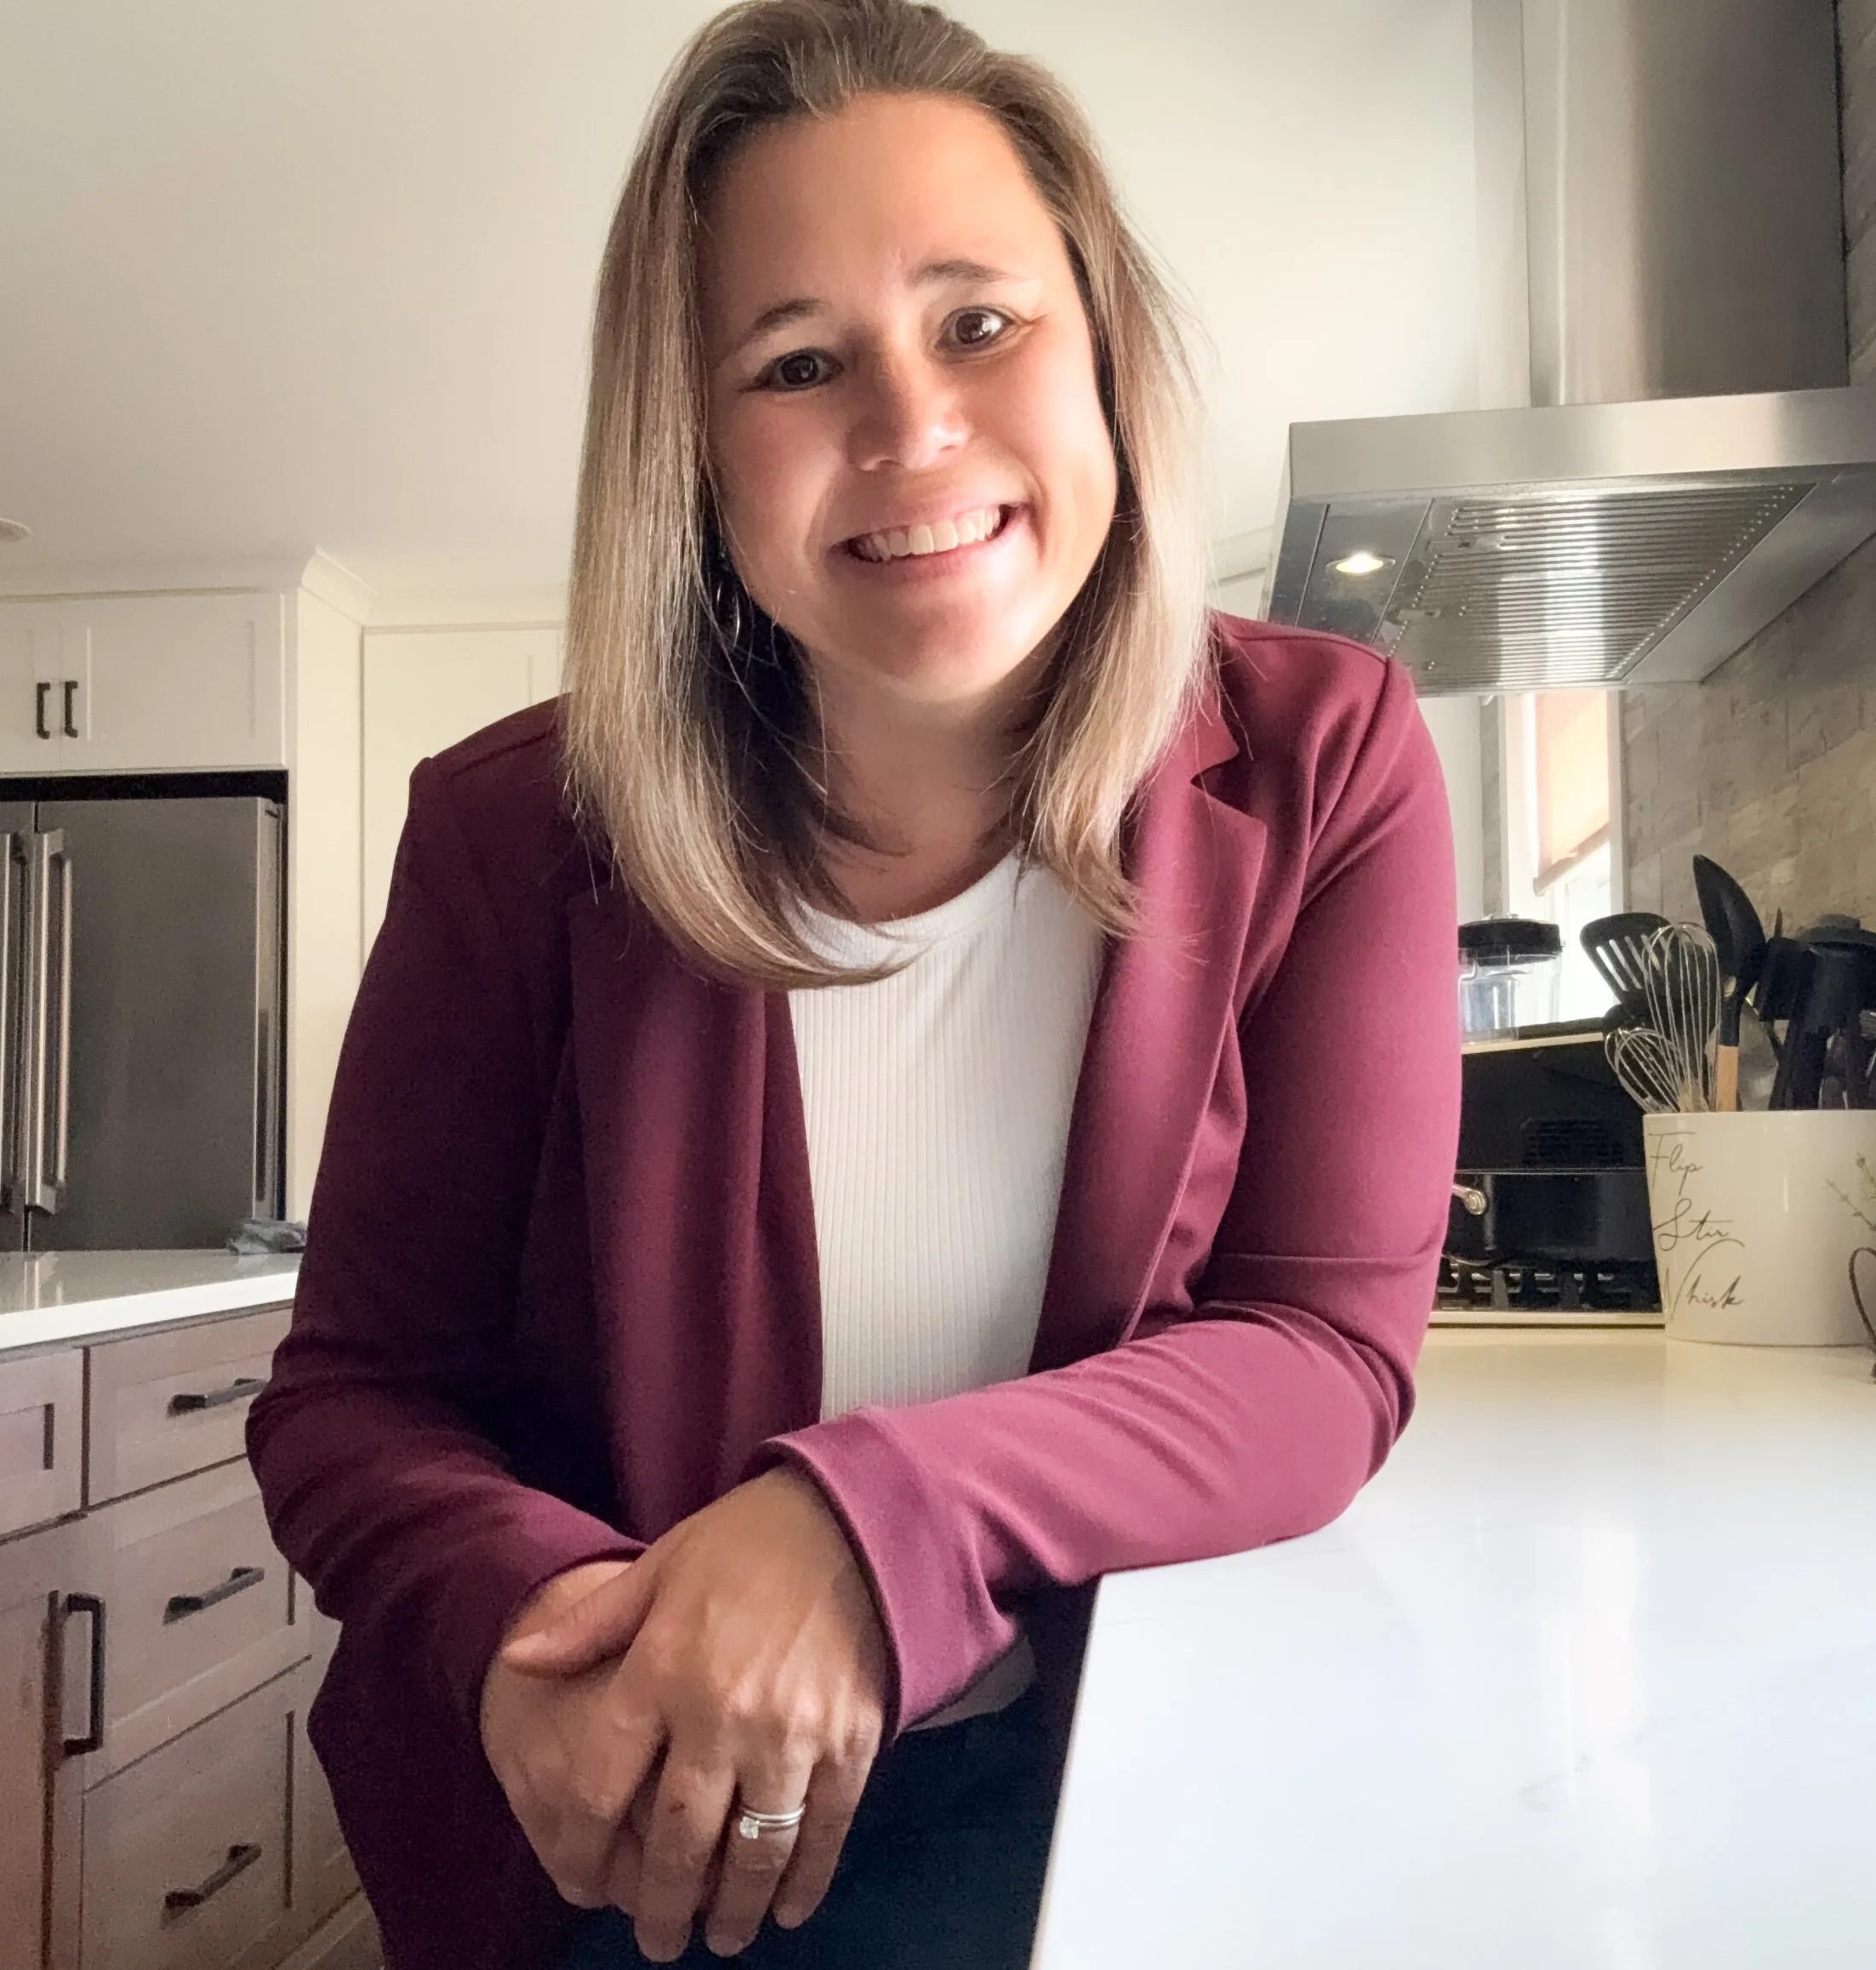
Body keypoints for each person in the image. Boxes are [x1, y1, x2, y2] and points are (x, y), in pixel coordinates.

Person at [245, 1, 1461, 1965]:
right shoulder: (506, 836)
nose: (913, 430)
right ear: (692, 449)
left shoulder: (1329, 758)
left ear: (1109, 350)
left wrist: (859, 1522)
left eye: (981, 322)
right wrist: (526, 1629)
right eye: (797, 363)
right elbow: (355, 1399)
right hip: (619, 1846)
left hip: (1090, 1792)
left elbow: (1324, 1354)